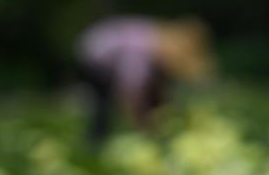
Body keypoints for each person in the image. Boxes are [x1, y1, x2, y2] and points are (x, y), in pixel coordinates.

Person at [76, 17, 212, 141]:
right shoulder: (140, 55)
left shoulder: (158, 41)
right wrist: (141, 123)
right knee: (102, 106)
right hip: (96, 58)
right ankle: (97, 139)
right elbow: (131, 91)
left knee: (155, 97)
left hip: (109, 46)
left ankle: (159, 129)